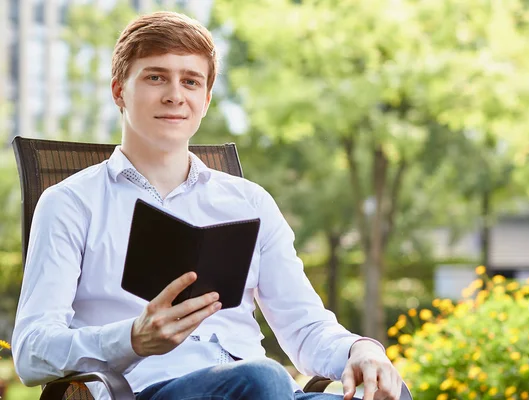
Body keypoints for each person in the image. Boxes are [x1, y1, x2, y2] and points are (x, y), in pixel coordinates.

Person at [11, 11, 408, 400]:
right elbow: (31, 351)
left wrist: (362, 351)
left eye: (190, 81)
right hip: (150, 389)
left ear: (206, 98)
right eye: (155, 77)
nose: (174, 95)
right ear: (119, 91)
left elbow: (304, 326)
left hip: (268, 392)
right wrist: (131, 338)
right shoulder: (70, 203)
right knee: (262, 378)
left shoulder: (249, 202)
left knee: (390, 394)